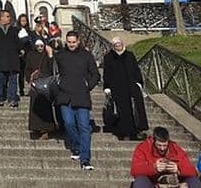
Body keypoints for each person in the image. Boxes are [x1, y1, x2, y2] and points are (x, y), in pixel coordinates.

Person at [55, 30, 100, 170]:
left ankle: (85, 159)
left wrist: (88, 85)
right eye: (69, 42)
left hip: (81, 96)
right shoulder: (60, 55)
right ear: (66, 41)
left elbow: (95, 75)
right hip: (65, 95)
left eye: (74, 42)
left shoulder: (86, 55)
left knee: (84, 127)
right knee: (68, 124)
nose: (71, 44)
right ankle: (76, 147)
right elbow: (53, 71)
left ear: (78, 41)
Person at [103, 37, 148, 140]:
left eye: (119, 44)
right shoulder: (109, 57)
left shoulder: (130, 55)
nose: (118, 46)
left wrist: (139, 82)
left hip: (132, 86)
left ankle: (139, 130)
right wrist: (107, 87)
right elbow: (107, 73)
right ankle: (125, 132)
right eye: (116, 44)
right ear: (113, 46)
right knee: (122, 110)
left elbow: (136, 69)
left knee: (137, 109)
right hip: (118, 87)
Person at [131, 126, 201, 188]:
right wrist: (153, 168)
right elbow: (135, 170)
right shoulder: (143, 148)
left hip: (175, 182)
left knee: (194, 180)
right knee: (140, 181)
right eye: (159, 145)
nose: (162, 149)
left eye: (165, 146)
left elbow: (193, 171)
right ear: (153, 141)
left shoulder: (175, 148)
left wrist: (178, 169)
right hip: (152, 182)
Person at [25, 39, 56, 140]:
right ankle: (35, 128)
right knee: (35, 107)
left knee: (46, 106)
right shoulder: (30, 55)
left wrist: (50, 54)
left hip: (46, 84)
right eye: (37, 46)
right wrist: (30, 77)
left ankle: (46, 129)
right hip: (35, 83)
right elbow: (27, 68)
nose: (39, 48)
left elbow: (53, 69)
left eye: (41, 46)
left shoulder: (48, 54)